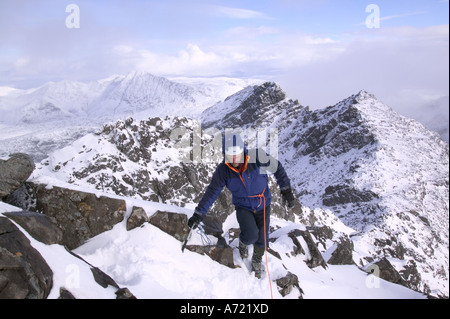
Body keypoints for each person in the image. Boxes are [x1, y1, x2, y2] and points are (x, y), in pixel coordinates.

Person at [188, 133, 295, 278]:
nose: (234, 158)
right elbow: (212, 192)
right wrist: (198, 214)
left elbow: (277, 168)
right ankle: (243, 243)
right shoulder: (223, 171)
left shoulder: (257, 157)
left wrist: (286, 189)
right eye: (230, 154)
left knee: (262, 239)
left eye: (236, 153)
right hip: (243, 206)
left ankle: (256, 259)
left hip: (263, 203)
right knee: (251, 235)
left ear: (242, 150)